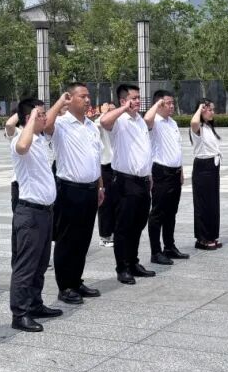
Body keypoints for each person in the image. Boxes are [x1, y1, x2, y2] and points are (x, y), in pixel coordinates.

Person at [9, 96, 67, 332]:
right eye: (40, 114)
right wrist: (32, 119)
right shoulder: (20, 140)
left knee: (41, 263)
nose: (46, 118)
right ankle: (19, 313)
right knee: (26, 266)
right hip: (29, 212)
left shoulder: (42, 139)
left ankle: (35, 303)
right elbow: (22, 147)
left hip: (46, 212)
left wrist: (55, 106)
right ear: (29, 118)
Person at [45, 83, 104, 305]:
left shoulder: (91, 126)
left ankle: (76, 280)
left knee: (83, 239)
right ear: (71, 98)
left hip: (90, 189)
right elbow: (45, 125)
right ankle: (65, 286)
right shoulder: (61, 124)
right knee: (67, 240)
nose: (88, 100)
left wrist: (100, 186)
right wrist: (61, 102)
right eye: (83, 96)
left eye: (88, 96)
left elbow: (95, 158)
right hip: (69, 190)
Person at [99, 84, 155, 284]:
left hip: (142, 181)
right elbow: (104, 121)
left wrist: (149, 175)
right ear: (123, 101)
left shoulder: (139, 120)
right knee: (124, 227)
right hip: (124, 181)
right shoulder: (119, 120)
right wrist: (123, 109)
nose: (138, 101)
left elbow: (144, 149)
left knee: (138, 225)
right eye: (134, 98)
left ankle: (133, 262)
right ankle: (122, 267)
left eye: (139, 97)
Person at [147, 90, 189, 265]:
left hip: (174, 172)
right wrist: (156, 105)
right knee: (158, 213)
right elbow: (147, 120)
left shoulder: (172, 123)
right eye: (167, 103)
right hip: (160, 172)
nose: (171, 106)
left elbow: (176, 148)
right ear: (159, 104)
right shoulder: (154, 121)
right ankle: (156, 252)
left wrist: (180, 170)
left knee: (171, 212)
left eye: (172, 103)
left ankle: (169, 246)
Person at [190, 99, 222, 251]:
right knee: (203, 204)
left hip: (213, 167)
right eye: (210, 109)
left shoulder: (209, 127)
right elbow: (194, 122)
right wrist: (200, 108)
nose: (213, 112)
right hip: (203, 168)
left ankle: (212, 235)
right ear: (202, 110)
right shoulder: (198, 128)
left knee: (212, 204)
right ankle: (202, 239)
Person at [96, 102, 117, 248]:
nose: (113, 112)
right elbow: (97, 124)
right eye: (110, 110)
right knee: (106, 203)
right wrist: (103, 113)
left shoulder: (119, 124)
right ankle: (104, 235)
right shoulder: (101, 124)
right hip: (106, 167)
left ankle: (115, 232)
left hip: (118, 167)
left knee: (117, 202)